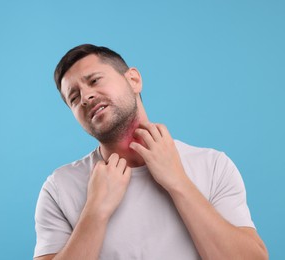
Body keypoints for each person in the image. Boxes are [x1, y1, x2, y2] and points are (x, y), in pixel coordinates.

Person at [33, 44, 268, 259]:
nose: (86, 97)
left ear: (133, 80)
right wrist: (95, 212)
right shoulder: (59, 188)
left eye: (94, 81)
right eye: (74, 98)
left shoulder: (213, 165)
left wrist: (178, 183)